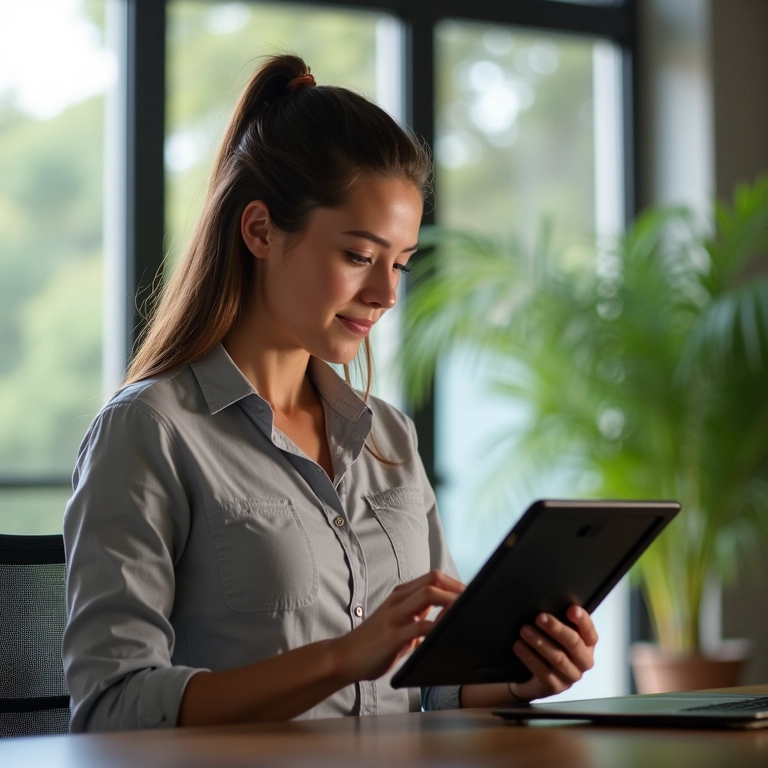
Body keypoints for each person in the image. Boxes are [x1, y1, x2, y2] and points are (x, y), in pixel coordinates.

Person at [62, 54, 598, 732]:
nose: (386, 294)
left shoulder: (389, 437)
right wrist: (342, 658)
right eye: (359, 256)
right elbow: (111, 707)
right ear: (260, 230)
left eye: (400, 264)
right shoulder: (150, 431)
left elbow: (435, 687)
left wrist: (519, 678)